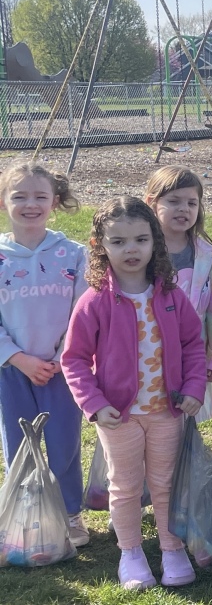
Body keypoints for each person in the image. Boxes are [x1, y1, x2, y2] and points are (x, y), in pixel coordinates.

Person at [61, 197, 205, 590]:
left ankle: (172, 548)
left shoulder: (172, 296)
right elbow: (72, 359)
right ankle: (131, 552)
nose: (131, 250)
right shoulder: (94, 301)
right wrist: (94, 404)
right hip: (117, 416)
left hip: (166, 412)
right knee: (124, 486)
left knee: (165, 483)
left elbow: (194, 344)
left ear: (155, 242)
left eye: (141, 239)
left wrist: (193, 388)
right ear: (99, 245)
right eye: (119, 241)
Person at [0, 161, 89, 547]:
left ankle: (69, 514)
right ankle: (29, 513)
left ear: (55, 201)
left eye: (40, 196)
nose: (30, 204)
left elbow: (83, 312)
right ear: (4, 202)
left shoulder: (73, 254)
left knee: (63, 441)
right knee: (19, 446)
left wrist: (62, 355)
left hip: (63, 369)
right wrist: (19, 358)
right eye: (19, 196)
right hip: (11, 369)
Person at [144, 166, 212, 424]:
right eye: (173, 201)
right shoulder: (139, 250)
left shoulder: (207, 256)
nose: (183, 208)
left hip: (190, 358)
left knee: (184, 425)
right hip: (145, 353)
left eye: (191, 203)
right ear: (152, 203)